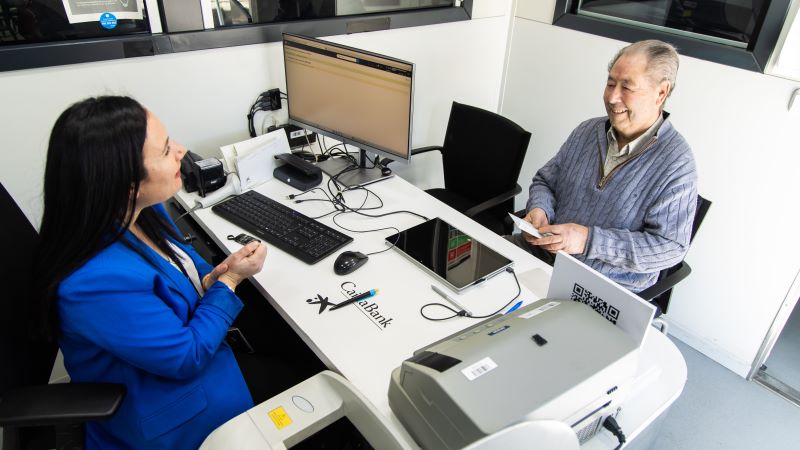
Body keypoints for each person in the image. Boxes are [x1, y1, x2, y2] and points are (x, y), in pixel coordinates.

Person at [34, 96, 268, 449]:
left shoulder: (144, 211)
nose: (181, 151)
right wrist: (230, 281)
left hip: (199, 357)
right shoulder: (94, 284)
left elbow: (186, 263)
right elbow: (185, 358)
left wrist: (215, 275)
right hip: (174, 412)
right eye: (164, 151)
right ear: (126, 183)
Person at [510, 40, 698, 294]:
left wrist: (588, 241)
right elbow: (546, 181)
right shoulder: (587, 131)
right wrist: (540, 208)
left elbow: (670, 247)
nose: (612, 97)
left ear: (661, 93)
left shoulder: (677, 163)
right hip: (541, 256)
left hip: (602, 286)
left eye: (627, 87)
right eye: (610, 83)